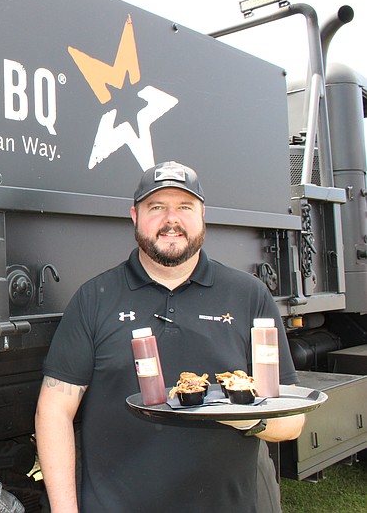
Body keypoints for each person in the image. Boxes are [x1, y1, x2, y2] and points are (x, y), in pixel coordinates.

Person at [35, 161, 305, 513]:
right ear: (135, 216)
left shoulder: (248, 295)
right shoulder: (94, 298)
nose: (171, 219)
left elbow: (292, 421)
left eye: (185, 207)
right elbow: (54, 410)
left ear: (203, 215)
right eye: (157, 207)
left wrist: (241, 414)